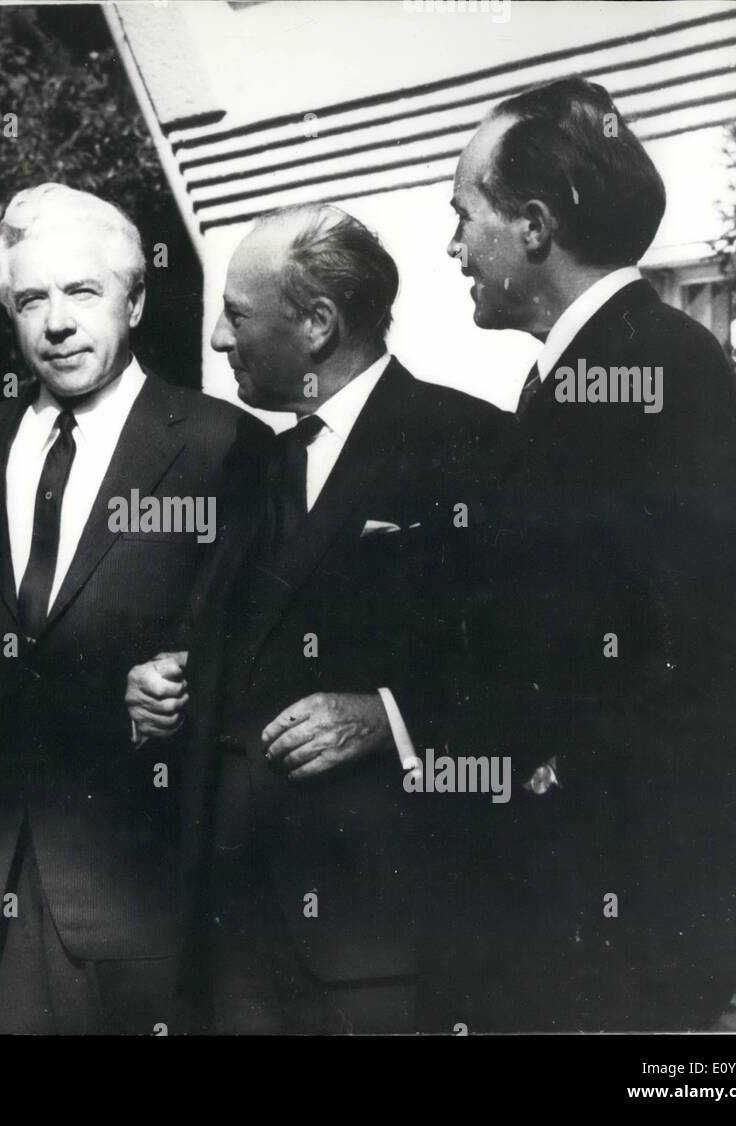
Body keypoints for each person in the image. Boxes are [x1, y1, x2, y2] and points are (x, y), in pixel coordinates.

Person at [415, 76, 736, 1031]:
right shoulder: (585, 373)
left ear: (533, 226)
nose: (452, 247)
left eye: (464, 216)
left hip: (623, 915)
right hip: (595, 902)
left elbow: (707, 641)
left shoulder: (651, 368)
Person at [0, 183, 269, 1034]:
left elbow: (260, 644)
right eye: (32, 300)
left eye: (83, 293)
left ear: (134, 299)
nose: (57, 322)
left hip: (150, 878)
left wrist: (184, 684)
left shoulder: (221, 445)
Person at [127, 203, 501, 1033]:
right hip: (227, 924)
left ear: (318, 324)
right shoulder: (245, 463)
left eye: (236, 314)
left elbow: (544, 670)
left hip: (379, 940)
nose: (220, 341)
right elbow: (208, 638)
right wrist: (158, 682)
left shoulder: (473, 445)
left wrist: (391, 717)